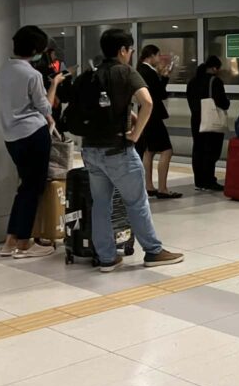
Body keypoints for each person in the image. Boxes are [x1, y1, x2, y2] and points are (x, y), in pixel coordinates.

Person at [79, 28, 183, 272]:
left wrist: (131, 117)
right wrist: (135, 135)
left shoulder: (92, 73)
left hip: (91, 149)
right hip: (118, 150)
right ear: (123, 50)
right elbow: (148, 102)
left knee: (101, 204)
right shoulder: (125, 71)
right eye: (130, 50)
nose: (130, 54)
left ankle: (106, 258)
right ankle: (153, 251)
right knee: (136, 202)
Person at [0, 26, 66, 258]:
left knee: (24, 187)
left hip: (11, 137)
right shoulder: (32, 75)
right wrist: (54, 84)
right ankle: (24, 243)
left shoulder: (4, 70)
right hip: (33, 134)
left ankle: (10, 241)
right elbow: (46, 107)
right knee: (33, 188)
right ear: (36, 50)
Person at [136, 45, 181, 199]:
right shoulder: (149, 72)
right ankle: (163, 188)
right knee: (167, 150)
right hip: (153, 116)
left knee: (149, 151)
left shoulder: (140, 70)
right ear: (151, 56)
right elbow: (160, 94)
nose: (159, 58)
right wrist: (165, 76)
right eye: (158, 55)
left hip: (145, 115)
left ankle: (149, 186)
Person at [186, 56, 230, 191]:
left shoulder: (192, 81)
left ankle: (199, 181)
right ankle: (209, 181)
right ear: (215, 68)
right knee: (211, 150)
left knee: (198, 149)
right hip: (211, 120)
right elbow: (223, 102)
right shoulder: (215, 81)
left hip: (196, 120)